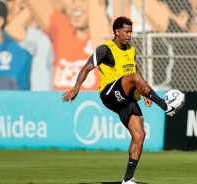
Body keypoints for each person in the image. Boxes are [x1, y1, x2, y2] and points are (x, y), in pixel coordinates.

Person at [62, 16, 181, 184]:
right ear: (117, 32)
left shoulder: (131, 50)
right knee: (133, 77)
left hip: (126, 98)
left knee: (139, 136)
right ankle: (165, 105)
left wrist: (145, 93)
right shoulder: (105, 49)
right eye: (126, 31)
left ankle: (128, 179)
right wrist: (76, 88)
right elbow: (87, 67)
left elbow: (135, 71)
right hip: (109, 93)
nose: (129, 35)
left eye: (131, 32)